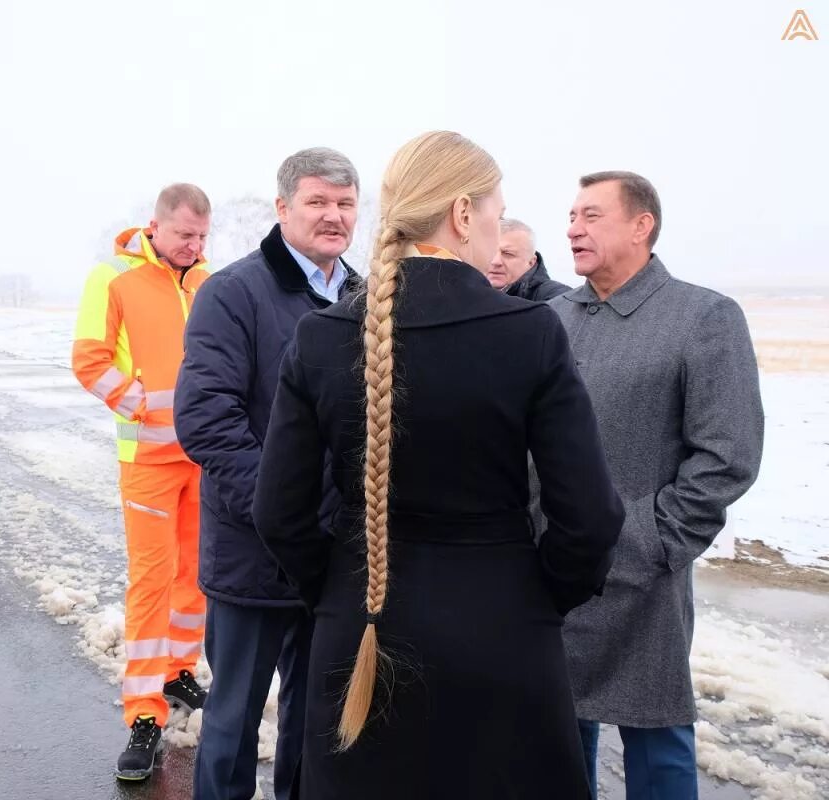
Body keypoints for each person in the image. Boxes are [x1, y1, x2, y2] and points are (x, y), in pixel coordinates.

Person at [251, 131, 625, 799]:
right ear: (460, 214)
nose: (495, 229)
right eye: (493, 212)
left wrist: (335, 587)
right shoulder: (530, 332)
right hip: (503, 636)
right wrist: (536, 598)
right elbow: (590, 518)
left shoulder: (321, 336)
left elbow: (278, 512)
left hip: (359, 631)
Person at [553, 171, 765, 799]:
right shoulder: (550, 318)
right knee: (560, 741)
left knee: (657, 740)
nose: (572, 228)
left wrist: (646, 539)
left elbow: (728, 457)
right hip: (550, 570)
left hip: (642, 577)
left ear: (642, 225)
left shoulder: (703, 317)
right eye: (570, 216)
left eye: (591, 215)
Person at [173, 147, 361, 800]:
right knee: (232, 724)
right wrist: (284, 512)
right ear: (283, 209)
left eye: (344, 204)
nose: (333, 216)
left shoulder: (368, 300)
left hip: (334, 559)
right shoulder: (233, 294)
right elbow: (206, 418)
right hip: (254, 555)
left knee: (317, 729)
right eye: (317, 202)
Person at [71, 183, 213, 782]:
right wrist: (145, 407)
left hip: (207, 458)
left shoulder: (210, 280)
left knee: (198, 574)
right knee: (152, 582)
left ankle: (180, 668)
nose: (194, 246)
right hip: (148, 462)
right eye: (185, 235)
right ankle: (144, 716)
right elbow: (88, 360)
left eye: (203, 237)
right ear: (156, 226)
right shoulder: (114, 276)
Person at [487, 218, 570, 300]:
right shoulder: (475, 297)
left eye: (508, 254)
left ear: (531, 262)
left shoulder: (558, 299)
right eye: (489, 252)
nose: (495, 261)